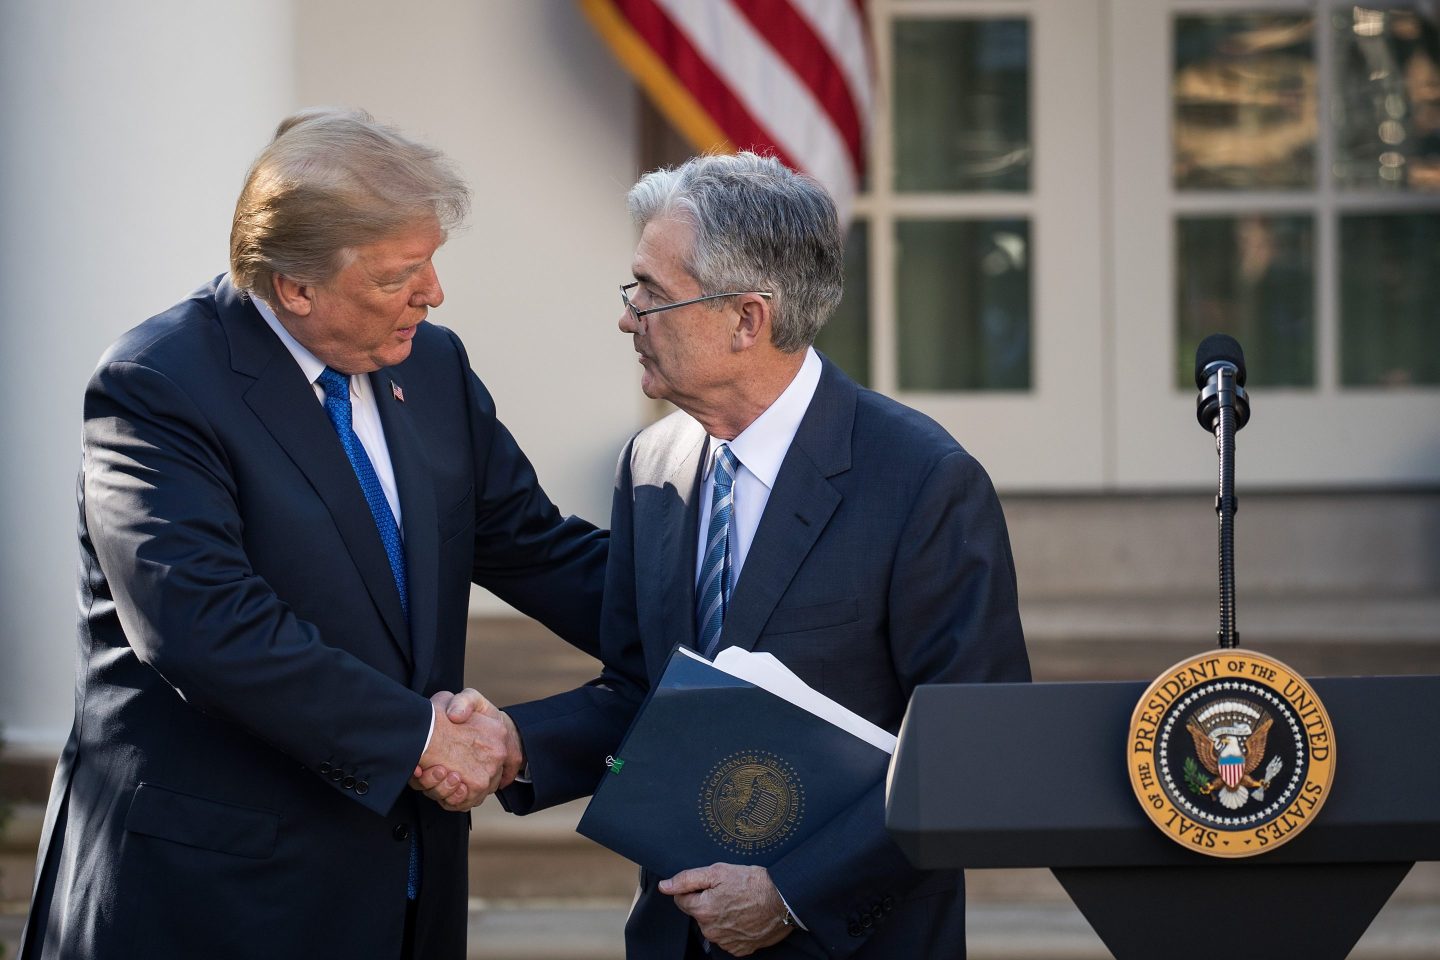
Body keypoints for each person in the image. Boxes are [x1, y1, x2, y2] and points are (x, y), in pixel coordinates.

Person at [18, 108, 606, 960]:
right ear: (296, 286)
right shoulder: (157, 385)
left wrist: (716, 611)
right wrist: (424, 739)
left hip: (403, 887)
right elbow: (205, 626)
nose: (433, 292)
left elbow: (533, 544)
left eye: (432, 262)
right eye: (402, 272)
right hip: (215, 896)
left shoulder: (432, 367)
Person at [424, 152, 1030, 958]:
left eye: (652, 294)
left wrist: (792, 896)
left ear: (747, 319)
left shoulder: (923, 482)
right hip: (678, 934)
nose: (627, 315)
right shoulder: (652, 465)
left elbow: (974, 754)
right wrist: (515, 744)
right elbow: (643, 691)